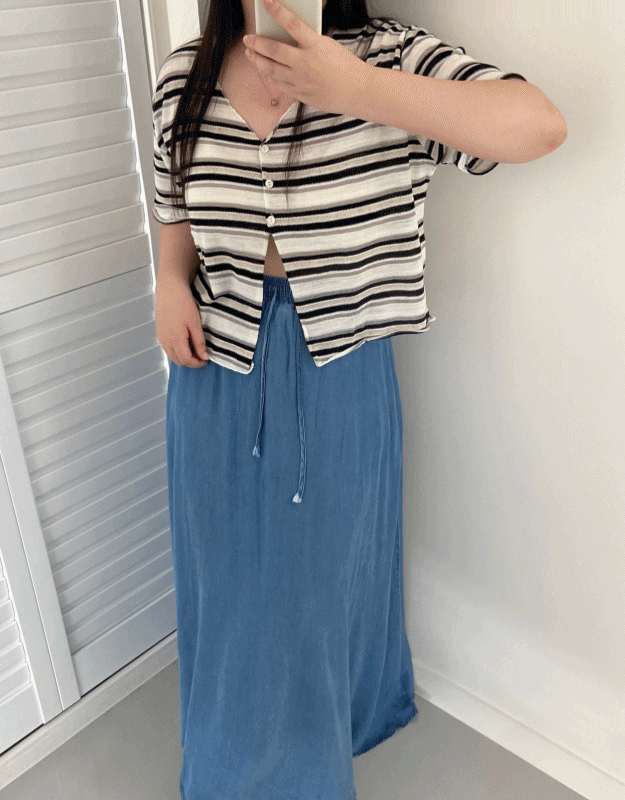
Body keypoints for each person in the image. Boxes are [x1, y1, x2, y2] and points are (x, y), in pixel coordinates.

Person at [152, 0, 566, 796]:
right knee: (222, 581)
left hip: (338, 369)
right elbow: (176, 209)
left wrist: (353, 88)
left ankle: (317, 749)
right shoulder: (184, 75)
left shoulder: (389, 57)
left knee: (325, 583)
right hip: (210, 371)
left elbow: (539, 125)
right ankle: (230, 756)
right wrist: (169, 283)